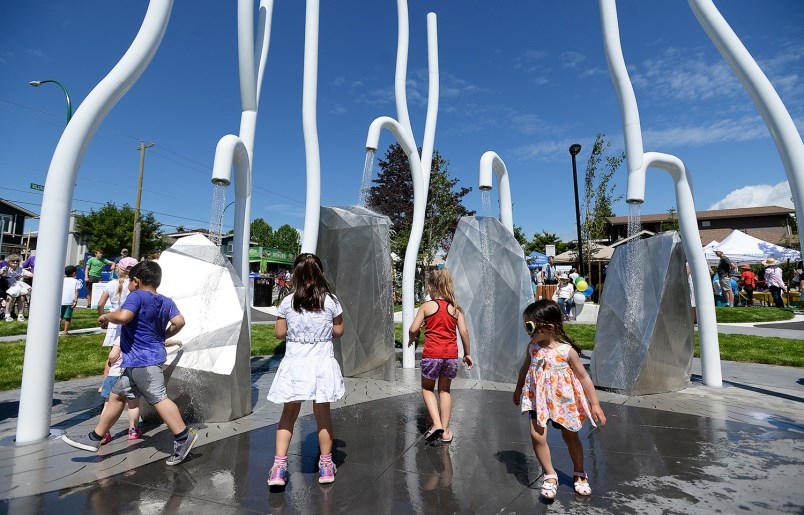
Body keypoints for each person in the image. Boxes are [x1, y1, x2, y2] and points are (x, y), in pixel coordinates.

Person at [62, 260, 198, 466]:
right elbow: (179, 322)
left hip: (143, 362)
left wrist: (106, 316)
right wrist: (163, 334)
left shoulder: (136, 296)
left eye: (130, 282)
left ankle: (183, 438)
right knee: (117, 396)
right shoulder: (166, 301)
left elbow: (125, 316)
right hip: (137, 362)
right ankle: (95, 438)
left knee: (159, 399)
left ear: (136, 280)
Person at [513, 300, 606, 500]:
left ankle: (579, 473)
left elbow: (583, 377)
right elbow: (525, 368)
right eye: (525, 326)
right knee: (537, 435)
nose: (527, 332)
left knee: (570, 437)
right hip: (539, 399)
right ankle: (549, 474)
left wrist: (595, 403)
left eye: (530, 326)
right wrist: (518, 388)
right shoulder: (533, 347)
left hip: (564, 401)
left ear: (549, 327)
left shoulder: (566, 351)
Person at [266, 253, 345, 486]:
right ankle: (326, 465)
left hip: (295, 364)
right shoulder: (331, 301)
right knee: (323, 414)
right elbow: (339, 331)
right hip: (321, 362)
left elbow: (279, 333)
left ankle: (279, 468)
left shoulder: (287, 302)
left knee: (288, 414)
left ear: (296, 274)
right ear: (320, 273)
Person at [407, 269, 474, 444]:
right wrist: (467, 353)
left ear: (430, 287)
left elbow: (413, 329)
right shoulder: (455, 309)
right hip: (451, 356)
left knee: (428, 389)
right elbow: (464, 332)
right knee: (444, 391)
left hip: (432, 355)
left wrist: (412, 338)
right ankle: (445, 432)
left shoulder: (426, 307)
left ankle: (436, 424)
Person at [1, 254, 28, 322]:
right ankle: (7, 315)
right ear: (9, 262)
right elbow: (2, 273)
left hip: (18, 290)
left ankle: (20, 315)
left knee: (22, 297)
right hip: (6, 289)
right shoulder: (6, 269)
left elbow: (31, 274)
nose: (15, 262)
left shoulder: (21, 270)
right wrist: (3, 274)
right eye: (13, 261)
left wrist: (24, 275)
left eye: (17, 261)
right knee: (10, 297)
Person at [60, 266, 82, 335]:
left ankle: (54, 330)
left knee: (60, 316)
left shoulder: (62, 280)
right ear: (74, 273)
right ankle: (65, 332)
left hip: (61, 301)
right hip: (70, 302)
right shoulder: (76, 281)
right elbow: (76, 291)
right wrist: (75, 301)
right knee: (68, 317)